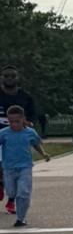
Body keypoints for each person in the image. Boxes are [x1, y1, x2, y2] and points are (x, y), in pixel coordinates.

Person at [0, 103, 51, 227]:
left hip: (25, 167)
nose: (14, 124)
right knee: (11, 192)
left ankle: (21, 218)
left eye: (17, 121)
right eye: (11, 122)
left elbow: (35, 144)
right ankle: (12, 198)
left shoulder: (30, 132)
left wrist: (43, 153)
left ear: (23, 119)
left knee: (24, 193)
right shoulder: (3, 133)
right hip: (8, 168)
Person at [0, 67, 38, 215]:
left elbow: (32, 114)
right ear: (1, 78)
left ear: (17, 78)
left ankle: (11, 200)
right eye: (6, 76)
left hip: (17, 138)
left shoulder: (25, 97)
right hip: (1, 135)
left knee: (14, 167)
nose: (9, 78)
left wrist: (29, 123)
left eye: (12, 76)